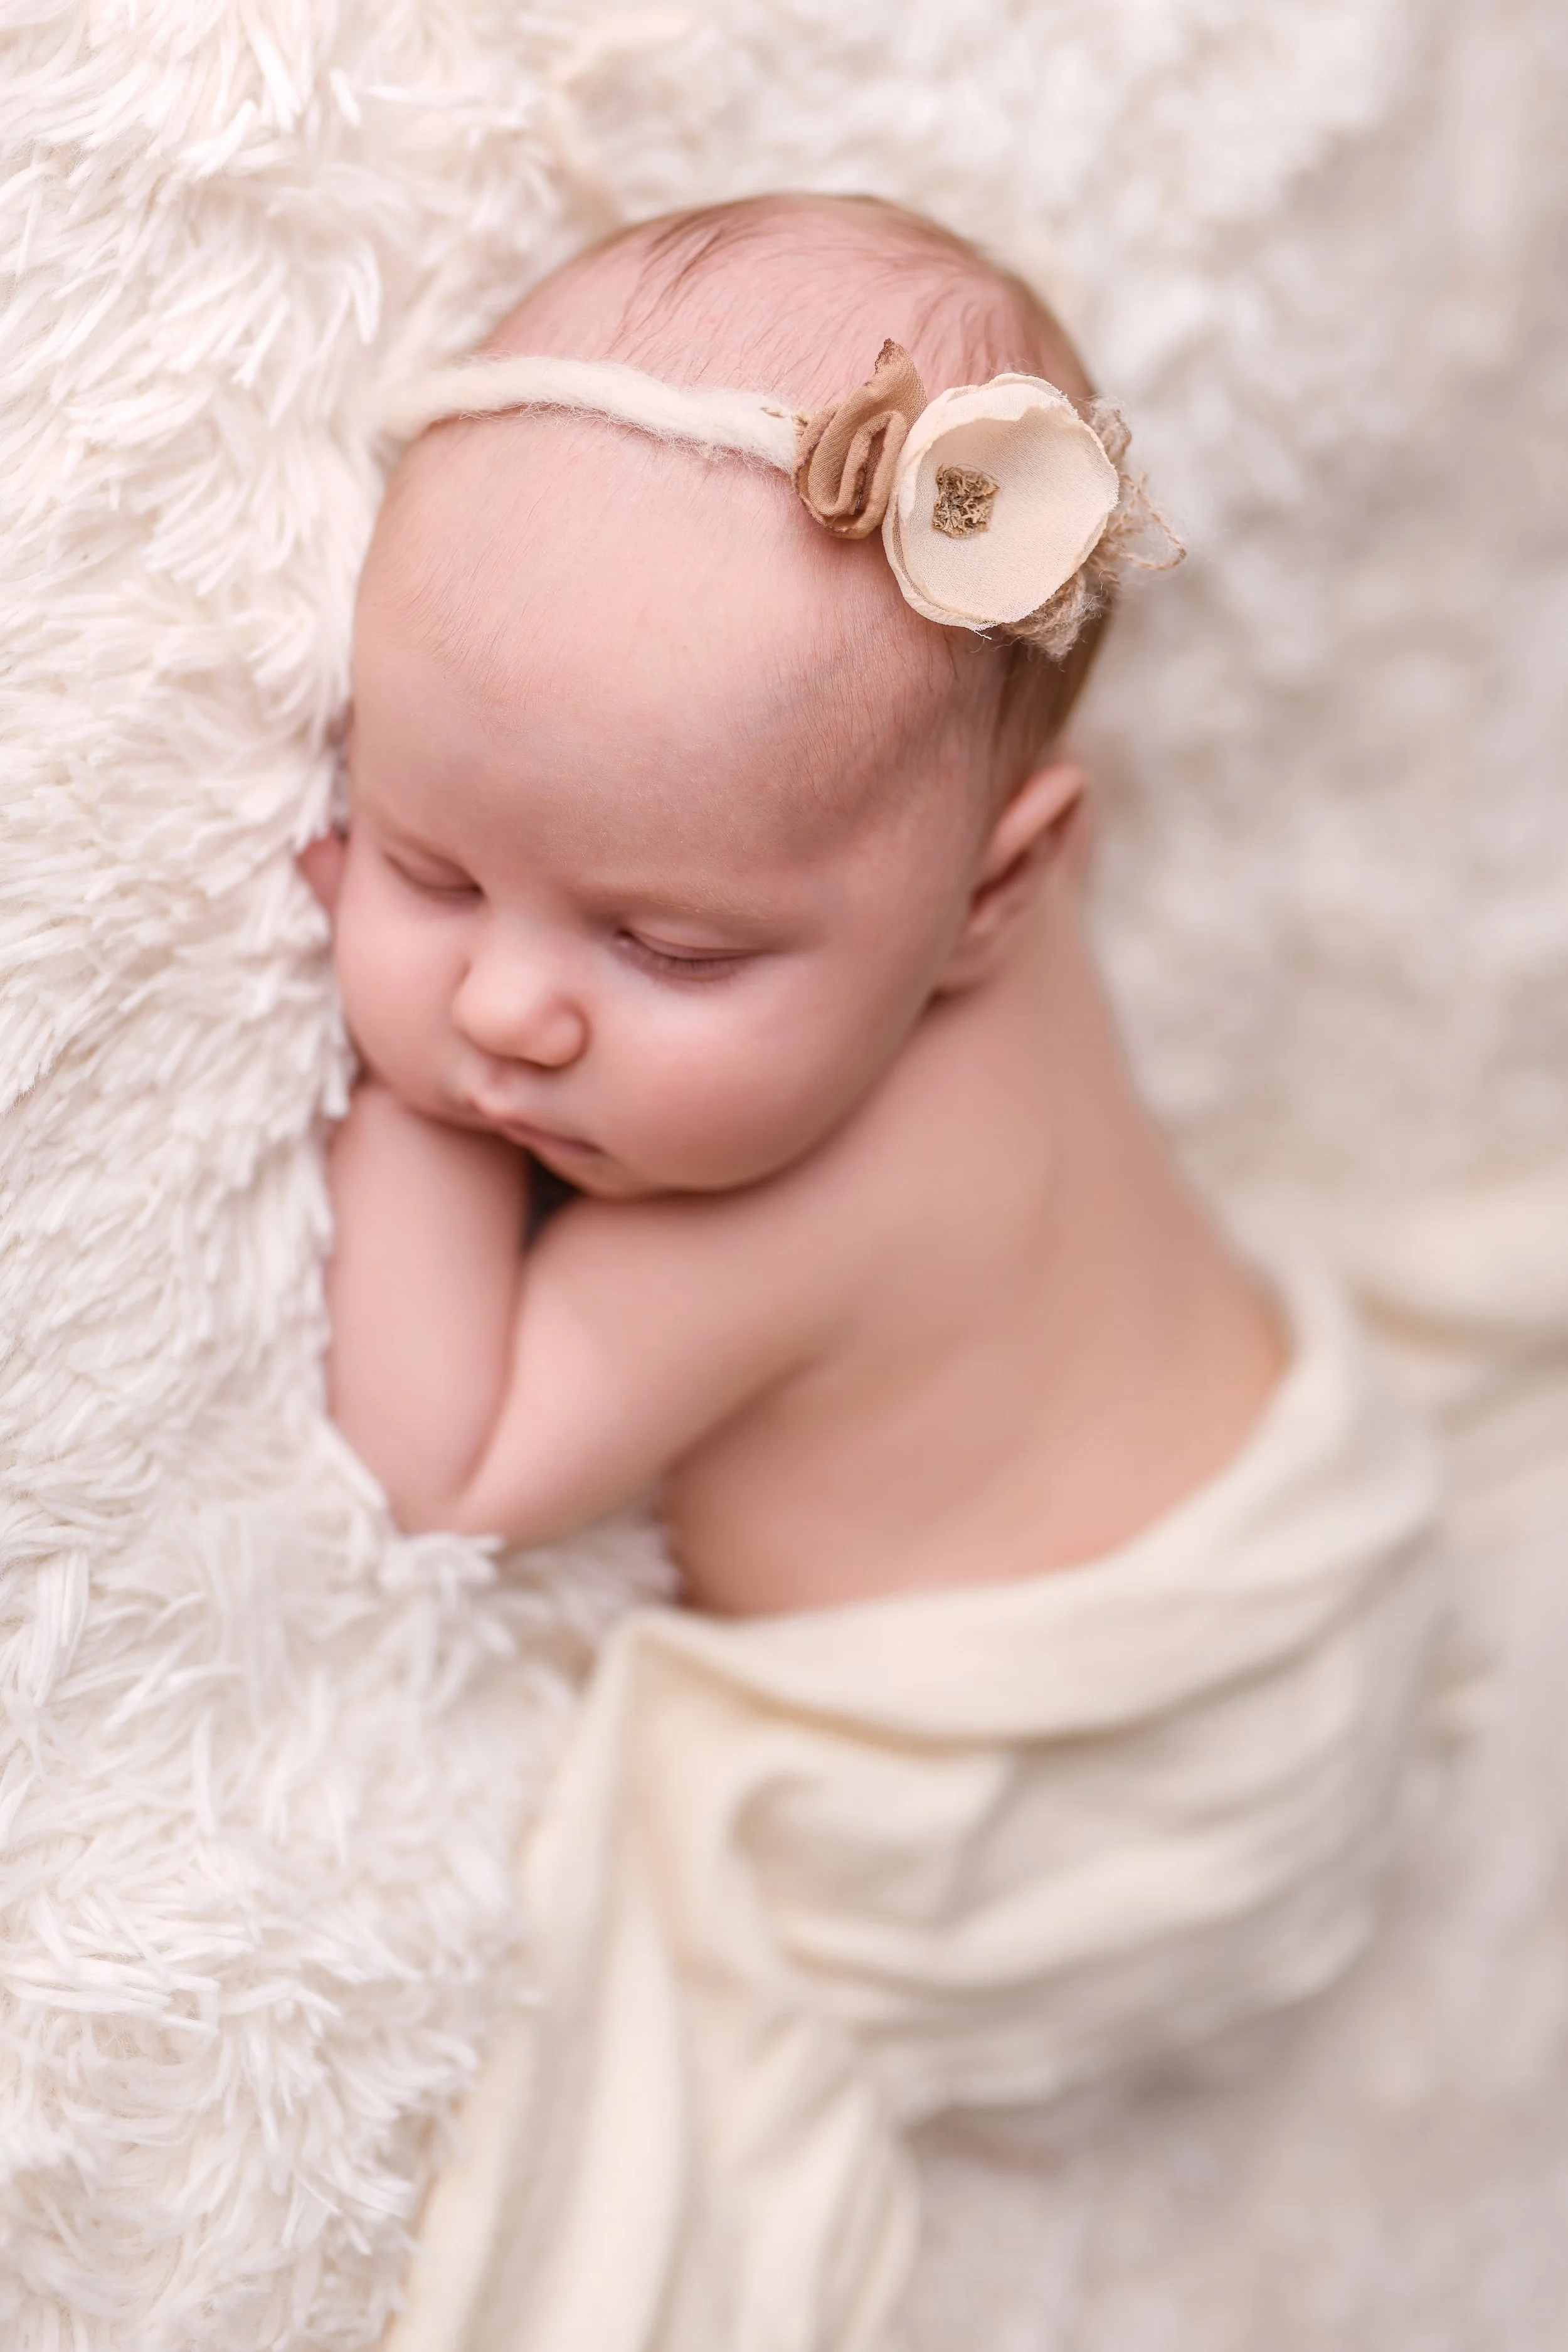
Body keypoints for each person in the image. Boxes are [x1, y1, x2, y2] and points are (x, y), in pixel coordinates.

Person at [304, 196, 1439, 2352]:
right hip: (1269, 1463)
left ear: (999, 888)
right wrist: (581, 945)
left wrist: (411, 1107)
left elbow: (443, 1455)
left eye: (668, 947)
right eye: (429, 860)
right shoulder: (923, 896)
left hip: (1105, 1773)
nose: (521, 1010)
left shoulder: (794, 1205)